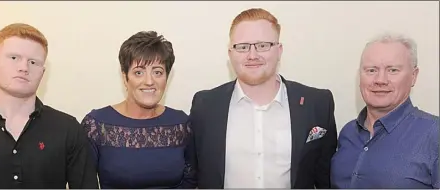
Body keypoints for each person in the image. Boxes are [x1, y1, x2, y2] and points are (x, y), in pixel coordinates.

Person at [188, 8, 337, 189]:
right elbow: (192, 175)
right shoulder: (205, 106)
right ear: (230, 53)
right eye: (242, 47)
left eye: (263, 45)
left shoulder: (318, 104)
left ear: (279, 50)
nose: (252, 55)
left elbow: (325, 178)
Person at [0, 23, 98, 189]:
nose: (23, 68)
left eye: (33, 62)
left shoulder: (69, 129)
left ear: (42, 72)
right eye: (14, 58)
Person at [81, 31, 196, 189]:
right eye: (139, 72)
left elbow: (191, 181)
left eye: (157, 72)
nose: (149, 81)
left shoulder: (181, 124)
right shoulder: (97, 125)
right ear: (125, 78)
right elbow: (83, 184)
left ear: (166, 78)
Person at [331, 33, 439, 189]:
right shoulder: (348, 133)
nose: (380, 80)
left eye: (393, 70)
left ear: (414, 76)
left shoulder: (434, 135)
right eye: (371, 70)